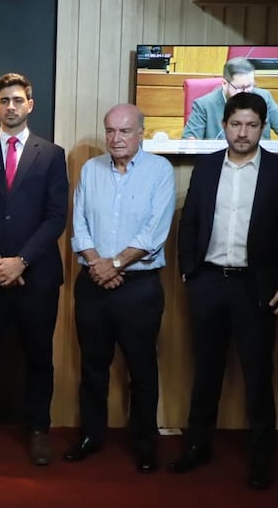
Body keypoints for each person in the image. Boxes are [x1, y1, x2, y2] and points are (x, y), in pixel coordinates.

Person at [169, 92, 278, 490]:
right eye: (235, 124)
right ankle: (198, 446)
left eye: (251, 125)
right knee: (206, 372)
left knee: (258, 376)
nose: (242, 133)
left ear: (263, 128)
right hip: (209, 282)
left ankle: (261, 459)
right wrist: (189, 272)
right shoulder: (208, 166)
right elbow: (190, 221)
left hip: (255, 286)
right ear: (224, 125)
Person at [0, 72, 68, 466]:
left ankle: (38, 430)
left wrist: (21, 261)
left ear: (30, 105)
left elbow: (56, 217)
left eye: (18, 100)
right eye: (4, 100)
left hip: (35, 279)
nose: (11, 106)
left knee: (38, 358)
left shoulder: (51, 155)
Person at [66, 103, 175, 473]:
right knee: (92, 366)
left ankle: (144, 444)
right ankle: (91, 436)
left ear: (141, 133)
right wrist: (98, 264)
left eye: (125, 131)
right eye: (110, 130)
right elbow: (80, 223)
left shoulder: (160, 171)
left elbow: (154, 232)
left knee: (141, 369)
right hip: (92, 285)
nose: (116, 138)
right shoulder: (91, 169)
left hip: (139, 287)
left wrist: (112, 264)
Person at [182, 56, 278, 140]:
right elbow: (189, 142)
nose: (246, 92)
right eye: (240, 88)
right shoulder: (204, 105)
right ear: (224, 84)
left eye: (250, 86)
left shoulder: (264, 98)